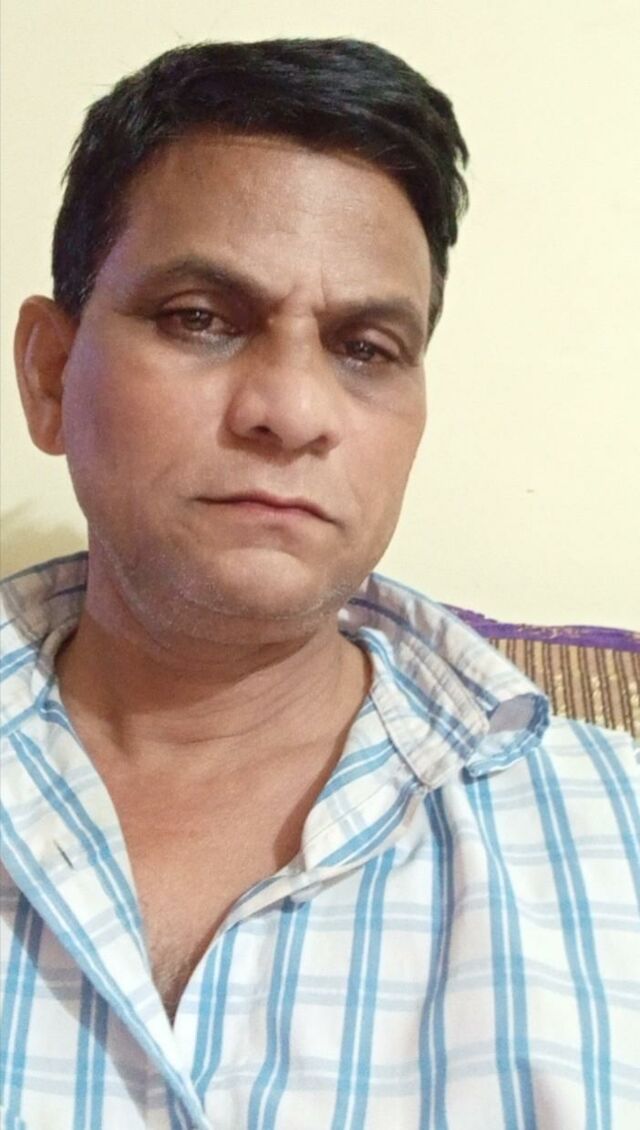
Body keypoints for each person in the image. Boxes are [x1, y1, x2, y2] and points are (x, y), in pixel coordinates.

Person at [1, 37, 637, 1130]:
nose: (291, 412)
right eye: (201, 318)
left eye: (366, 347)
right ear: (52, 375)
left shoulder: (616, 835)